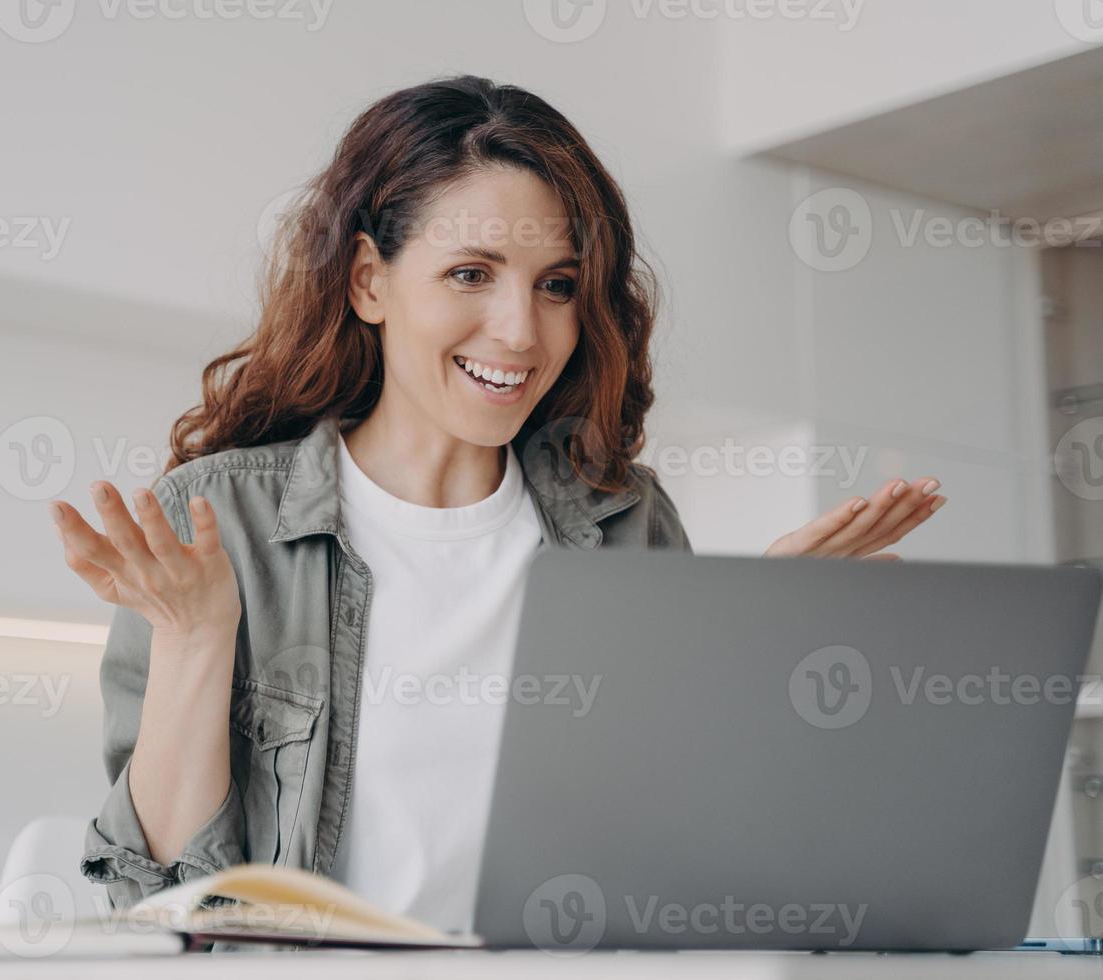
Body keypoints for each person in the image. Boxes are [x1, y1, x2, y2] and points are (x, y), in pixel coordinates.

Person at [51, 74, 946, 932]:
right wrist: (197, 637)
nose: (521, 331)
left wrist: (743, 647)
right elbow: (158, 900)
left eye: (556, 284)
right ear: (369, 281)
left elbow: (682, 853)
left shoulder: (624, 523)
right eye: (472, 273)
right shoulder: (221, 524)